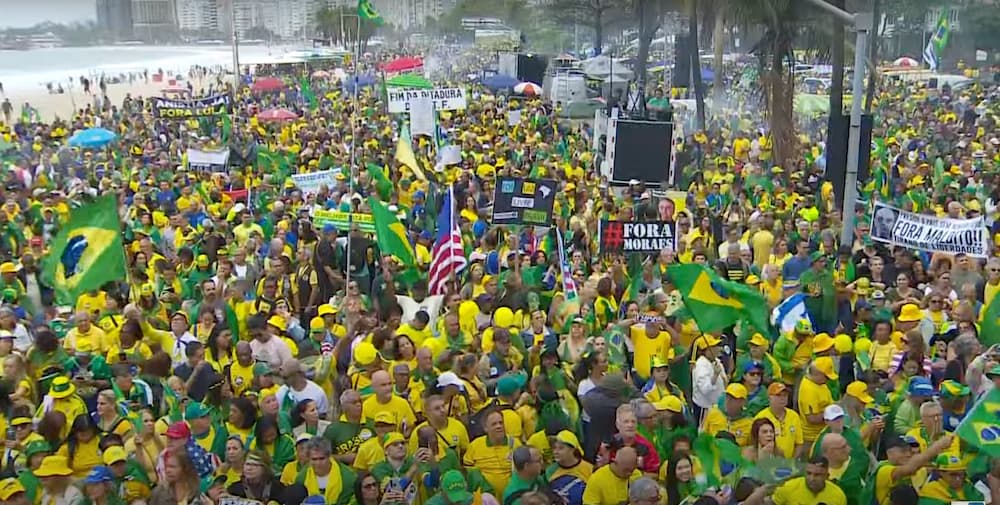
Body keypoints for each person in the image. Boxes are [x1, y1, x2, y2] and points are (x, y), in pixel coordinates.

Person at [227, 449, 308, 504]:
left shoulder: (277, 488)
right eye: (247, 464)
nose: (249, 468)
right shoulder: (234, 489)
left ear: (264, 468)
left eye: (254, 465)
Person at [771, 456, 847, 505]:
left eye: (817, 475)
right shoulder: (788, 487)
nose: (812, 478)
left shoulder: (838, 495)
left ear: (827, 476)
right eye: (809, 473)